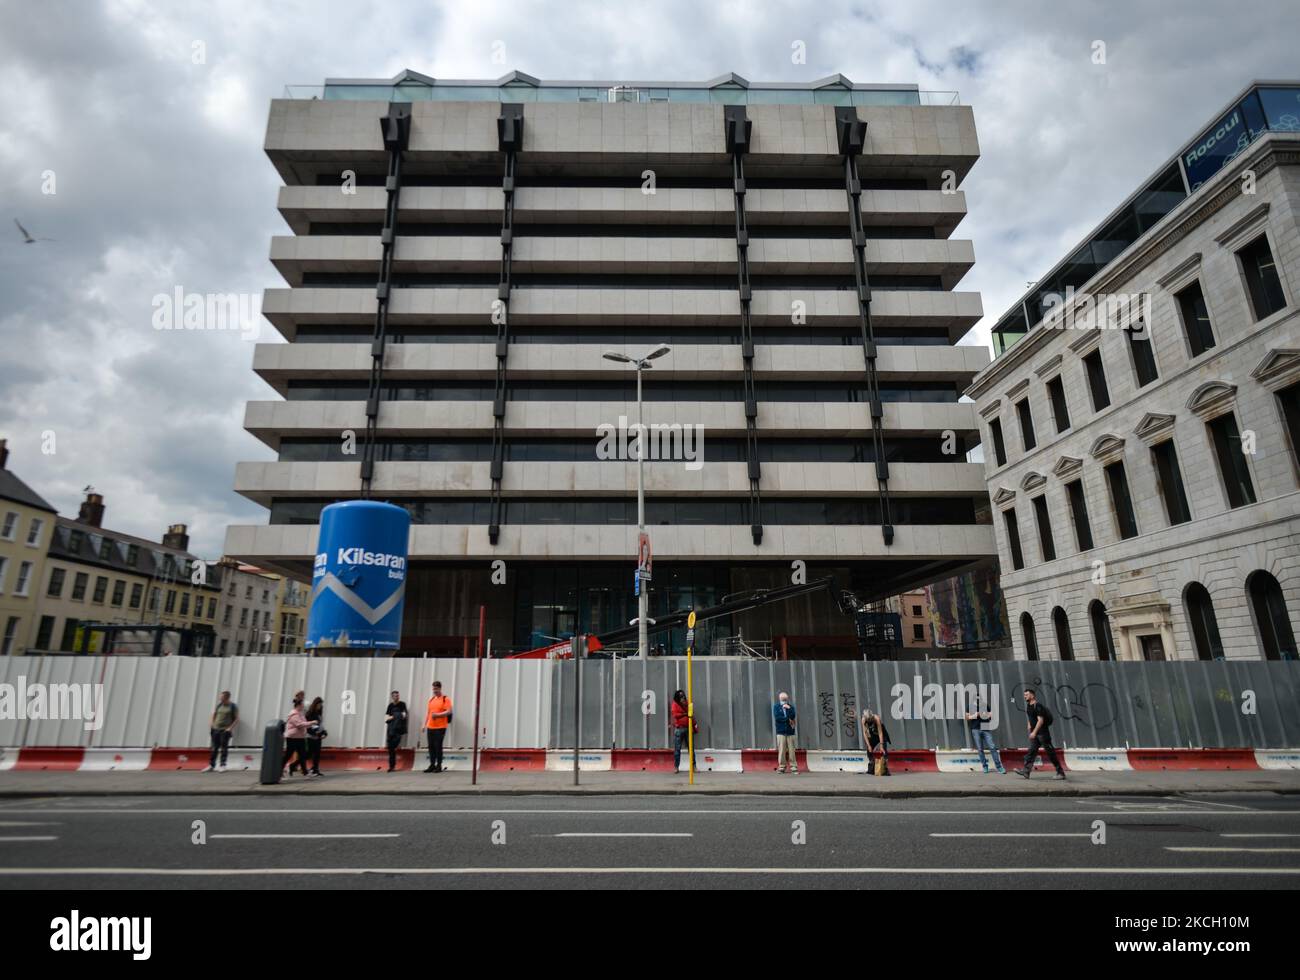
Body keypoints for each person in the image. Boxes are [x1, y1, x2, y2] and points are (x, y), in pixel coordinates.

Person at [1013, 688, 1066, 780]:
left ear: (1032, 695)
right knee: (1031, 752)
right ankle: (1026, 771)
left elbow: (1040, 721)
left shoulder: (1038, 706)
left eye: (1027, 694)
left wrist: (1034, 732)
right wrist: (1029, 726)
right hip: (1036, 734)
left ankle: (1060, 773)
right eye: (1024, 695)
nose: (1025, 696)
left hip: (1043, 734)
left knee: (1050, 753)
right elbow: (1031, 717)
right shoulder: (1029, 706)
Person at [965, 691, 1005, 774]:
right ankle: (985, 766)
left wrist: (984, 714)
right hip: (975, 729)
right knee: (980, 749)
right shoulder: (970, 706)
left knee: (992, 747)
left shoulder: (985, 705)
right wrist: (976, 715)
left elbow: (991, 715)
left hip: (986, 728)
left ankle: (999, 767)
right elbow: (967, 718)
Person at [203, 691, 238, 773]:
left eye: (221, 697)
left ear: (227, 698)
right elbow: (213, 714)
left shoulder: (232, 706)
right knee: (214, 748)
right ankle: (211, 765)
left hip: (225, 730)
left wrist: (230, 728)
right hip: (215, 729)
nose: (220, 698)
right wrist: (212, 724)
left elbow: (236, 719)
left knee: (224, 748)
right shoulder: (219, 705)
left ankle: (223, 765)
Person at [424, 680, 452, 773]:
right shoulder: (431, 700)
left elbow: (449, 711)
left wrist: (437, 715)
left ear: (440, 688)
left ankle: (439, 765)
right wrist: (424, 725)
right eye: (433, 689)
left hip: (440, 727)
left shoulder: (445, 699)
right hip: (430, 727)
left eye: (436, 689)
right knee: (431, 747)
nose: (434, 691)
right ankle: (432, 765)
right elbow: (428, 714)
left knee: (438, 746)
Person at [670, 689, 698, 773]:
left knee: (691, 748)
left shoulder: (687, 703)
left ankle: (694, 766)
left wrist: (686, 705)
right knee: (677, 749)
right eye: (680, 696)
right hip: (679, 729)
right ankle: (676, 767)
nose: (683, 698)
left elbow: (691, 713)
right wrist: (685, 714)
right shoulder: (675, 704)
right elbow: (675, 715)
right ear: (677, 698)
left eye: (683, 696)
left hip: (688, 728)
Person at [282, 695, 311, 777]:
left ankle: (305, 772)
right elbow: (299, 724)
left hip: (300, 737)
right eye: (302, 705)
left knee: (303, 755)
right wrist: (312, 723)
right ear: (299, 705)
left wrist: (310, 725)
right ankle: (279, 770)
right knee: (288, 755)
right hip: (292, 738)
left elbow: (305, 724)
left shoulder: (300, 714)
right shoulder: (294, 714)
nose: (303, 706)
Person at [860, 706, 891, 776]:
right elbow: (865, 734)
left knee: (884, 750)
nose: (869, 721)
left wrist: (881, 745)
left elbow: (880, 733)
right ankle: (872, 768)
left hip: (881, 735)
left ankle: (885, 769)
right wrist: (869, 746)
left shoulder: (876, 718)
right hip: (873, 735)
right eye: (868, 720)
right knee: (869, 751)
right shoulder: (863, 720)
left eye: (870, 719)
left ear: (872, 716)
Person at [773, 692, 798, 774]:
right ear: (780, 699)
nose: (784, 701)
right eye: (783, 700)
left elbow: (793, 716)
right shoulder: (776, 707)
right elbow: (778, 718)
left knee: (792, 750)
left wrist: (789, 709)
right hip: (781, 732)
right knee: (782, 750)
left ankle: (793, 767)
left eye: (785, 700)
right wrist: (787, 719)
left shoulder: (791, 707)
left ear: (787, 699)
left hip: (790, 732)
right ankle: (781, 767)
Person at [384, 691, 408, 772]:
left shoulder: (402, 704)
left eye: (398, 695)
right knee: (391, 749)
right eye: (395, 696)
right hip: (391, 729)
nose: (397, 697)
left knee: (394, 746)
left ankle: (392, 766)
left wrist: (395, 716)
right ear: (392, 697)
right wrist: (396, 716)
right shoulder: (390, 706)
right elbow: (386, 718)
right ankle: (391, 766)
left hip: (398, 729)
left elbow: (404, 715)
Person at [305, 696, 326, 777]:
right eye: (319, 704)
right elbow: (308, 726)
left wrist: (324, 732)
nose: (320, 706)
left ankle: (315, 769)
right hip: (310, 737)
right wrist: (314, 733)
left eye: (321, 705)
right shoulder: (310, 713)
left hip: (318, 737)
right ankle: (293, 765)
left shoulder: (319, 714)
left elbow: (320, 725)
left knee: (317, 754)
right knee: (308, 754)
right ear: (315, 704)